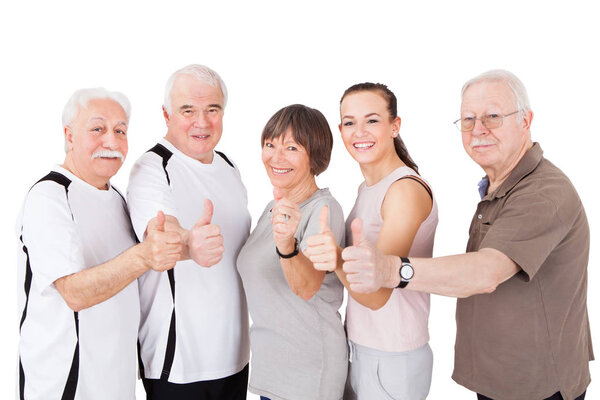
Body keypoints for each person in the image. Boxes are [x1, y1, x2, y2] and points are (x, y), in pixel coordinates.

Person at [338, 70, 592, 400]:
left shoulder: (542, 193)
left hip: (538, 386)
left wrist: (387, 269)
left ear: (526, 120)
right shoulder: (500, 187)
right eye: (468, 119)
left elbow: (485, 272)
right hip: (500, 379)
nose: (478, 129)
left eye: (493, 117)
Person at [16, 88, 182, 399]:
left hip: (116, 383)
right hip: (65, 386)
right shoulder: (49, 197)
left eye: (120, 130)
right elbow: (74, 293)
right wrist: (143, 256)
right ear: (69, 136)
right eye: (98, 129)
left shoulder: (117, 198)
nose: (112, 141)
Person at [305, 83, 438, 400]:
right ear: (340, 130)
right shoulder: (367, 189)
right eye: (350, 122)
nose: (359, 131)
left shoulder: (405, 190)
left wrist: (335, 257)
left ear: (395, 126)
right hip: (361, 348)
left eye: (372, 120)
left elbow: (378, 293)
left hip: (392, 358)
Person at [127, 64, 250, 399]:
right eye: (188, 111)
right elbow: (160, 230)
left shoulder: (228, 165)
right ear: (166, 115)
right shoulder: (151, 169)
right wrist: (188, 242)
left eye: (212, 109)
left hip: (236, 357)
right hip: (181, 365)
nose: (202, 122)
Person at [237, 104, 347, 400]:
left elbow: (307, 286)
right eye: (270, 144)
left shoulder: (323, 210)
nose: (276, 156)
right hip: (273, 371)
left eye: (292, 147)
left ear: (315, 155)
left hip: (308, 374)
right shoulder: (272, 208)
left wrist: (287, 246)